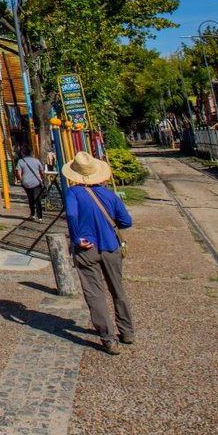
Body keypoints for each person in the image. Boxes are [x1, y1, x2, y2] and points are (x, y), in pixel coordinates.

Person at [62, 151, 136, 354]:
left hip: (87, 249)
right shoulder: (109, 194)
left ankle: (108, 338)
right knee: (118, 289)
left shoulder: (73, 193)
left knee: (95, 294)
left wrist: (77, 237)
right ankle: (127, 331)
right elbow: (126, 221)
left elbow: (71, 214)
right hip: (111, 246)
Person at [15, 151, 48, 219]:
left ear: (23, 154)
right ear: (31, 153)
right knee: (37, 199)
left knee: (30, 198)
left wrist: (22, 180)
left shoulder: (20, 161)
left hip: (26, 183)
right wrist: (42, 179)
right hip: (37, 182)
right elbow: (42, 171)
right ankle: (40, 217)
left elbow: (19, 173)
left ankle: (32, 214)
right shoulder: (36, 160)